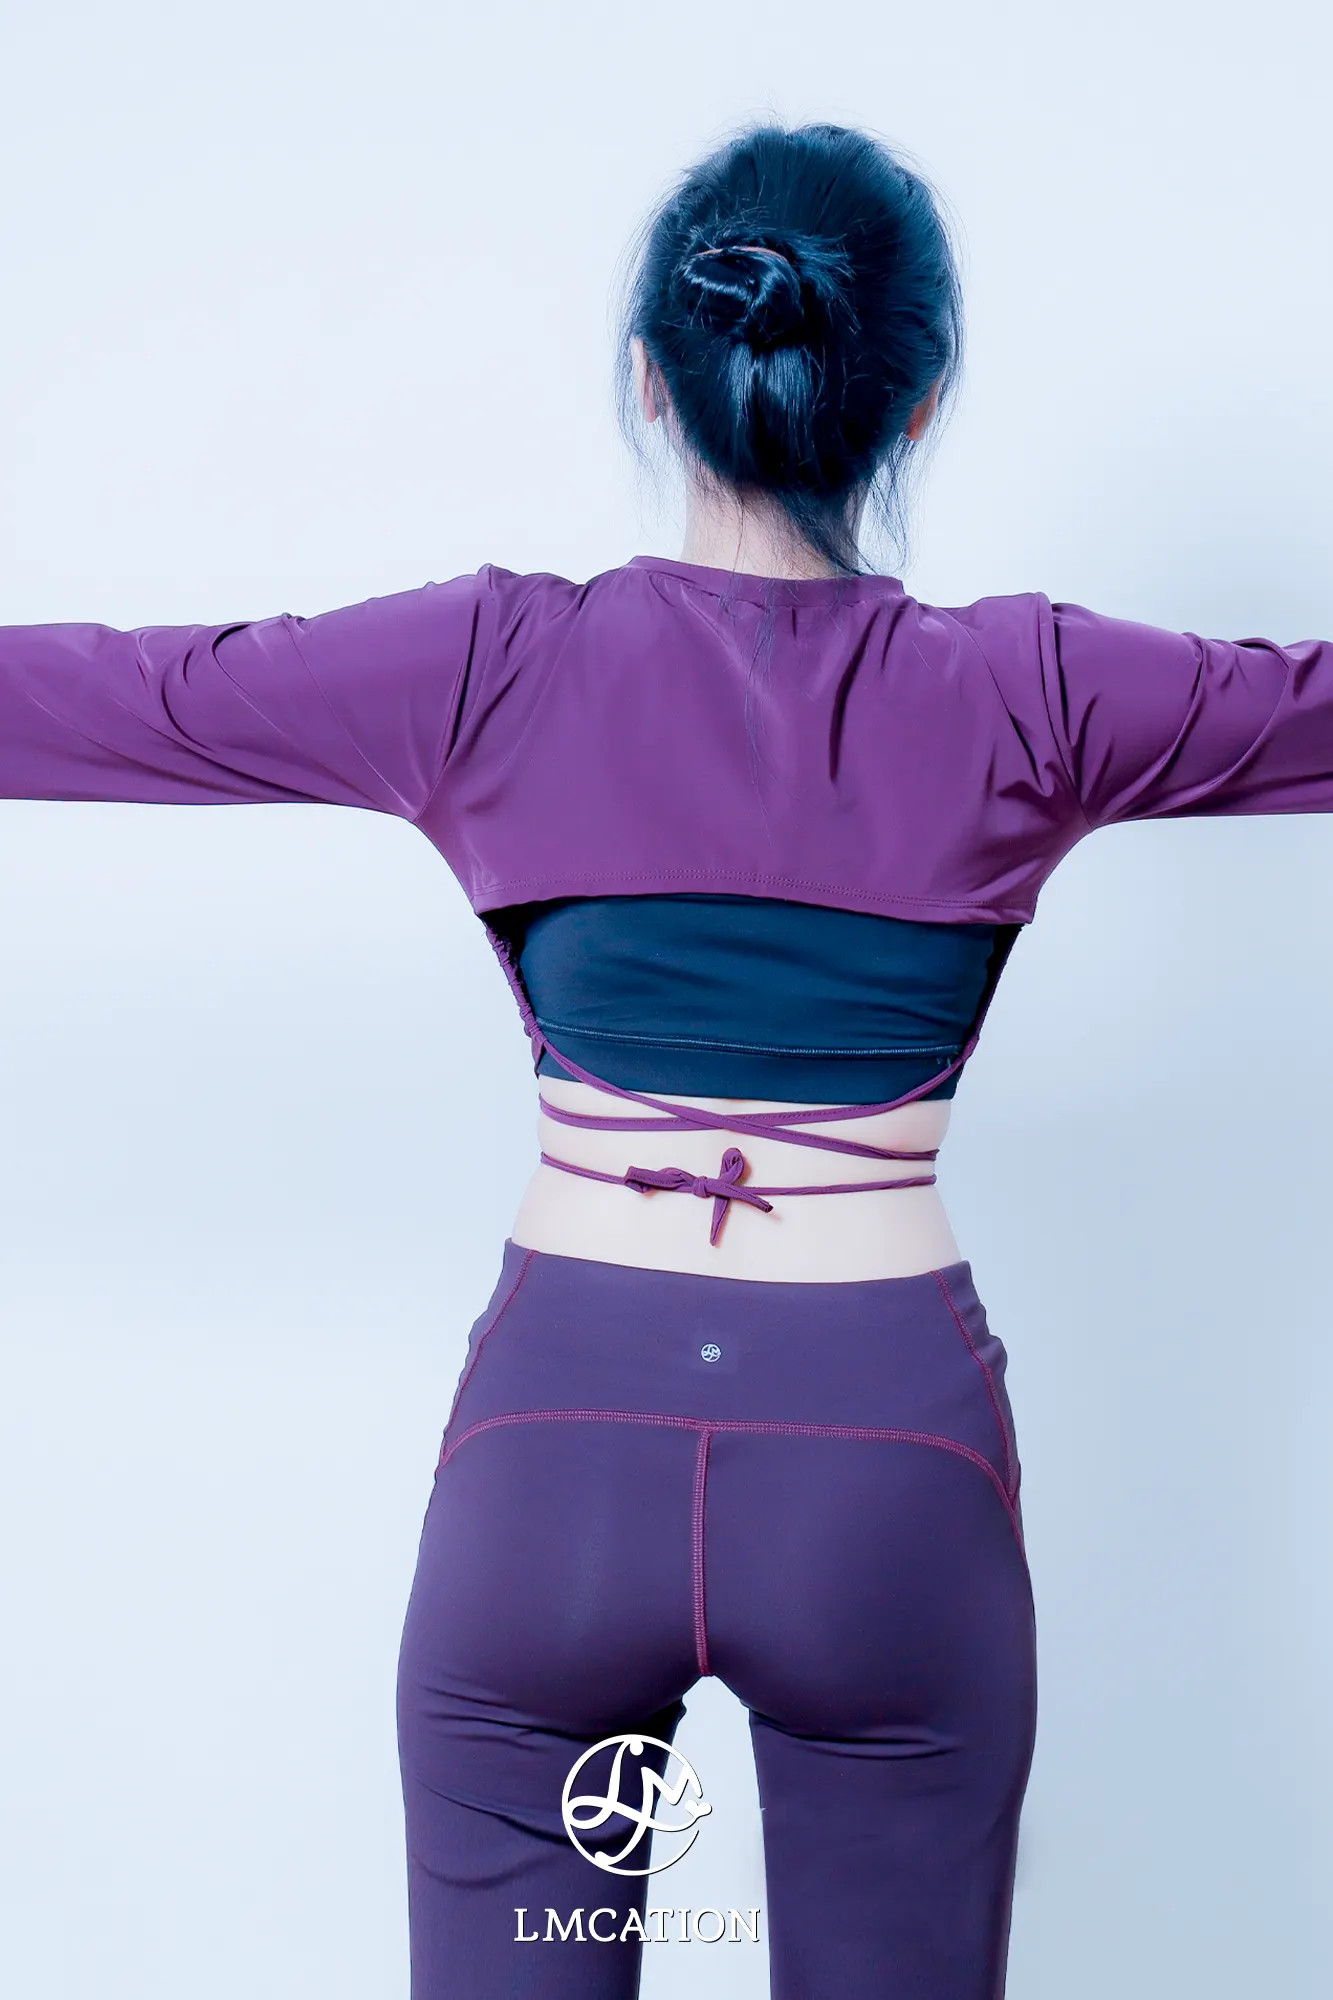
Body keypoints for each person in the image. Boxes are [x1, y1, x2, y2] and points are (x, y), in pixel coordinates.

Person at [3, 117, 1332, 2000]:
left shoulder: (485, 667)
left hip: (554, 1464)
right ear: (919, 403)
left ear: (649, 375)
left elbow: (113, 696)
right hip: (884, 1485)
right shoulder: (1029, 692)